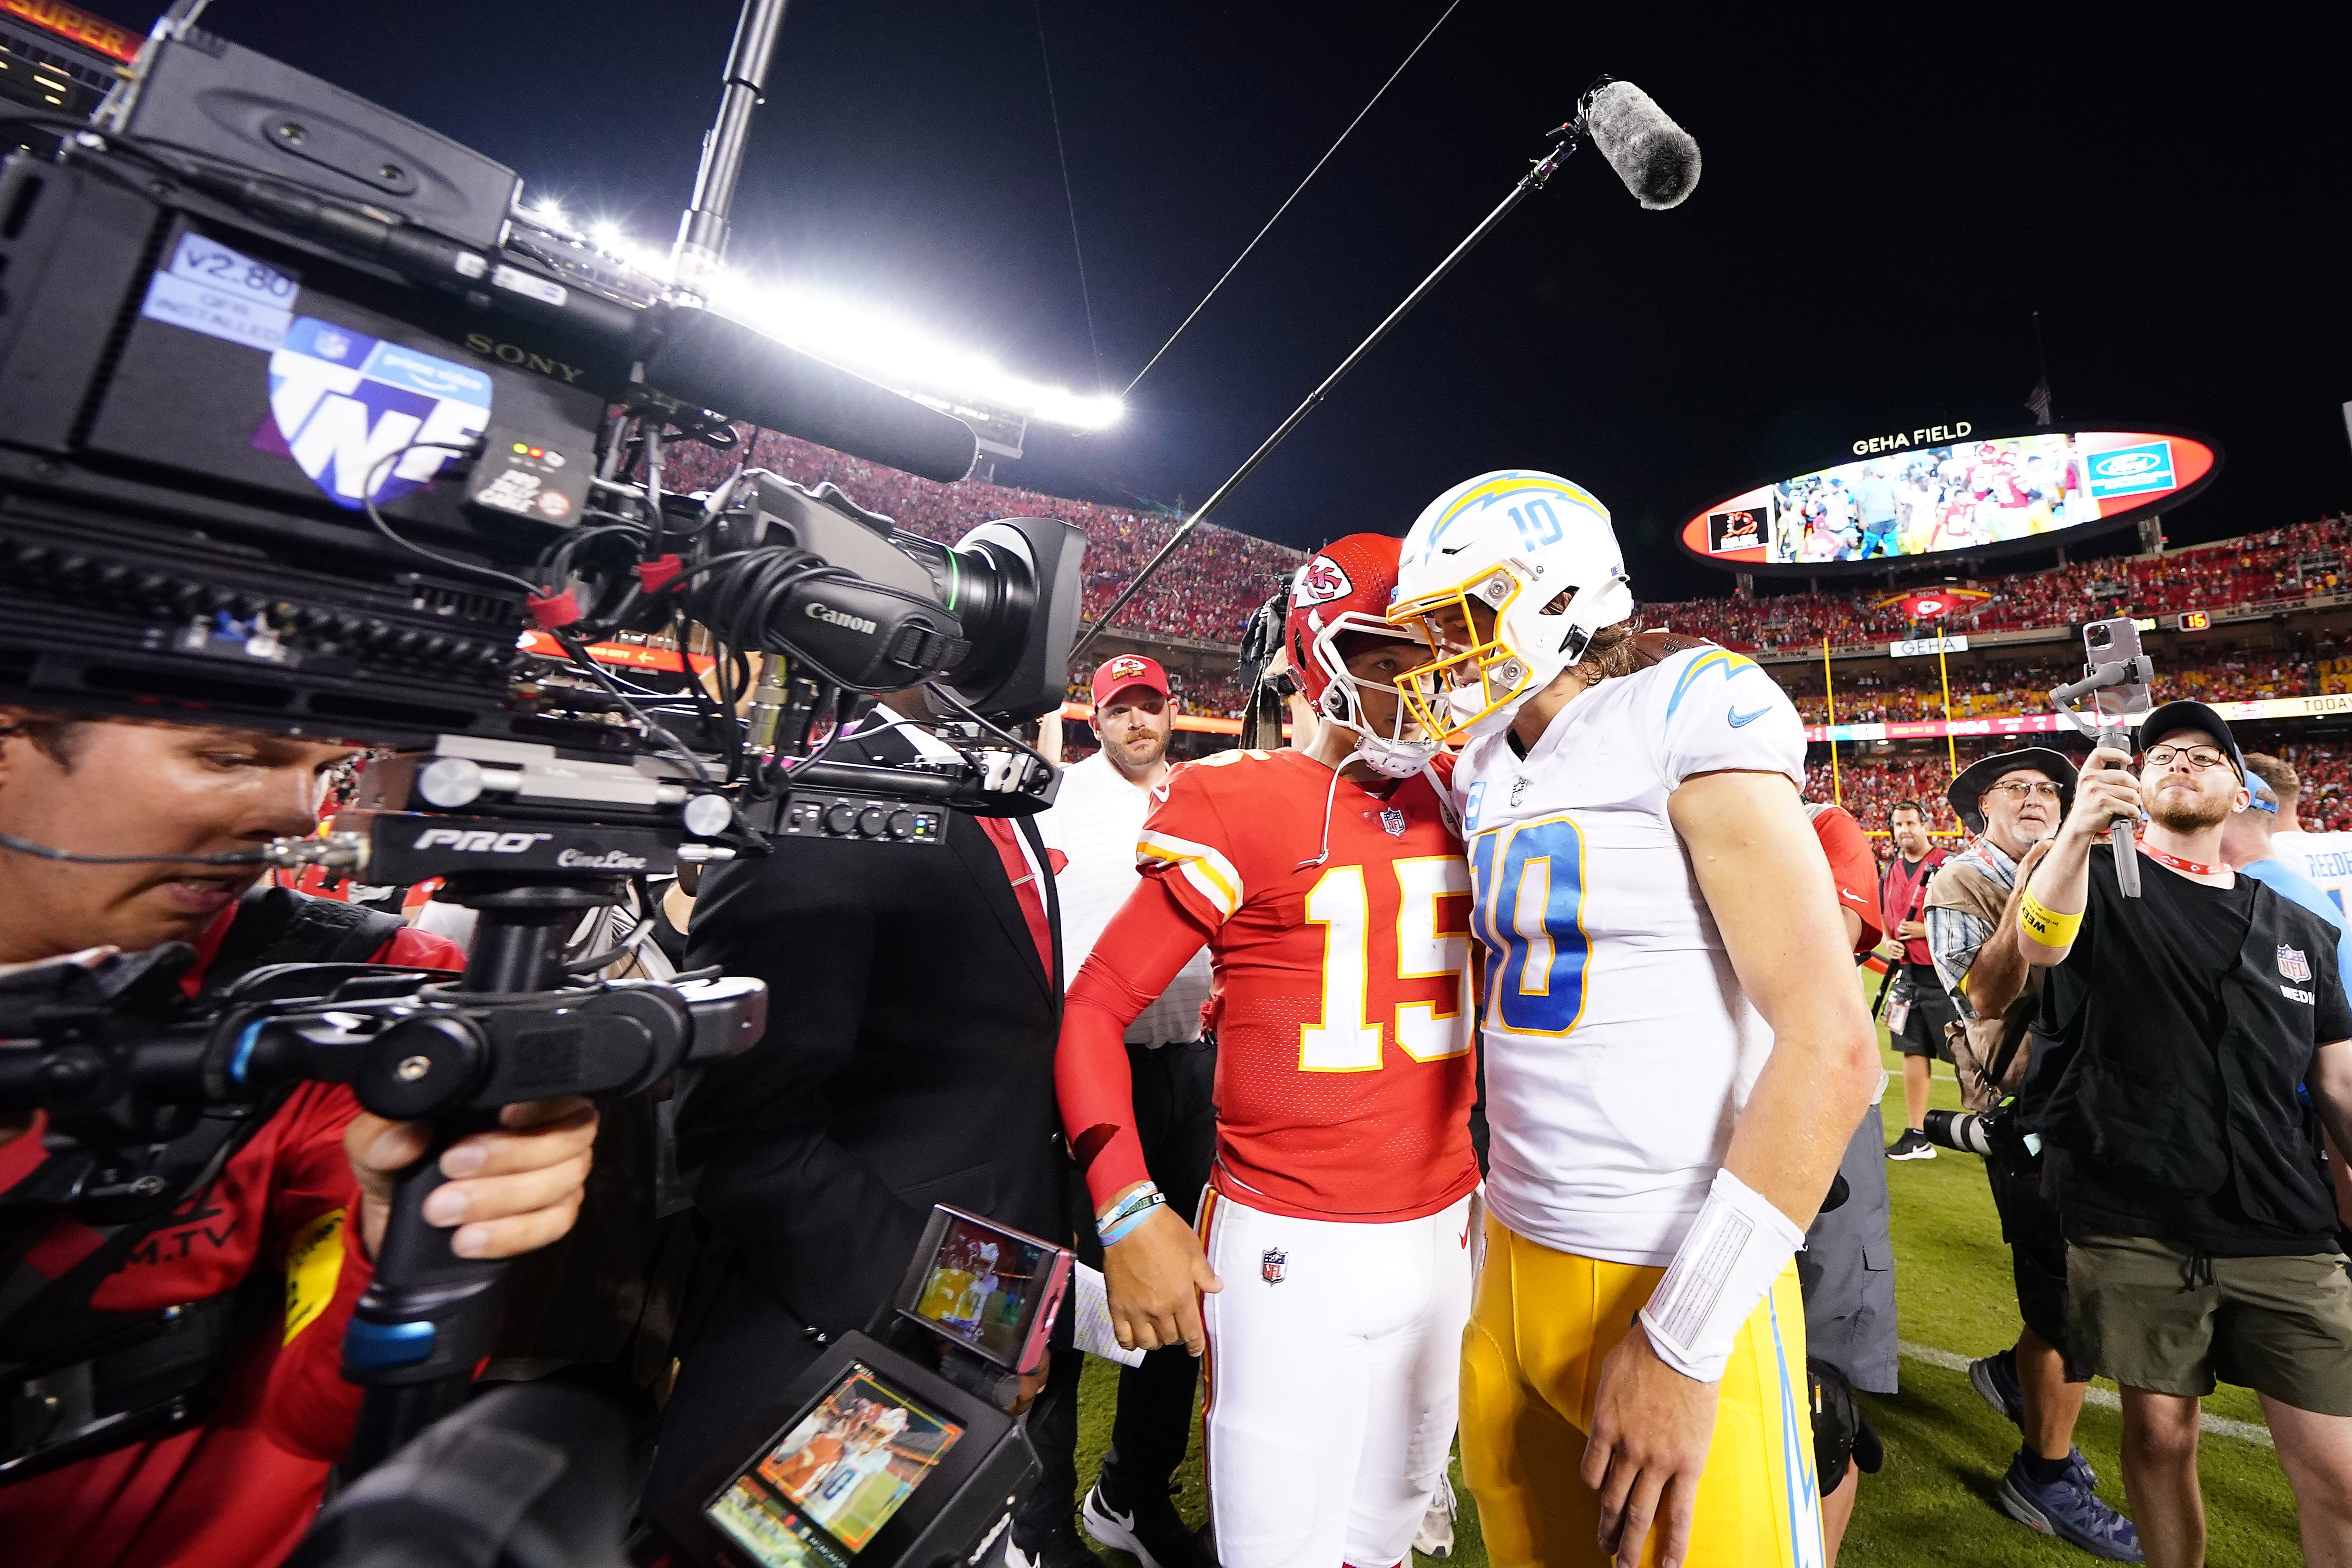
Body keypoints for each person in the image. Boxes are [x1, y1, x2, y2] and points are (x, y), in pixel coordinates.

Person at [1386, 471, 1883, 1568]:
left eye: (1457, 620)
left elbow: (1837, 1045)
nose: (1437, 654)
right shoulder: (1480, 765)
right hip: (1508, 1254)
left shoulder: (1684, 704)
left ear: (1552, 598)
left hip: (1660, 1269)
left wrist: (1684, 1335)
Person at [0, 712, 600, 1568]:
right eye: (232, 757)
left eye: (330, 769)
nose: (297, 814)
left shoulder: (366, 999)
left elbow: (327, 1414)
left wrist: (408, 1237)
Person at [1059, 534, 1479, 1568]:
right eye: (1383, 652)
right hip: (1293, 1245)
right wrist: (1126, 1200)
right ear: (1315, 654)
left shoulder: (1472, 796)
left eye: (1426, 654)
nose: (1410, 681)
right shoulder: (1236, 799)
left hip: (1448, 1233)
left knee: (1381, 1544)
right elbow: (1094, 1007)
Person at [651, 685, 1067, 1509]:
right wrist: (968, 1314)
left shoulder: (985, 781)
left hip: (987, 1269)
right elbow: (745, 1137)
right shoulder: (818, 800)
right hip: (862, 1312)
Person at [2018, 701, 2352, 1568]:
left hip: (2281, 1218)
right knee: (2160, 1440)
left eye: (2203, 756)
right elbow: (2038, 944)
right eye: (2161, 753)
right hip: (2133, 1211)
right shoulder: (2096, 882)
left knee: (2339, 1471)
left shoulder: (2303, 933)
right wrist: (2077, 832)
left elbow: (2339, 1085)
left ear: (2237, 789)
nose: (2178, 763)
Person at [1921, 746, 2139, 1561]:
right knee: (2065, 1300)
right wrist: (2036, 877)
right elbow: (1984, 992)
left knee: (2089, 1281)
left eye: (2050, 787)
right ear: (1977, 807)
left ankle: (2015, 1380)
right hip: (2023, 1105)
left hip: (2094, 1095)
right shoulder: (1957, 882)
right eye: (2015, 787)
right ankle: (2040, 1477)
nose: (2038, 797)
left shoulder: (2080, 857)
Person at [1027, 654, 1214, 1568]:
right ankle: (1040, 1516)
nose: (1137, 721)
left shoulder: (1207, 794)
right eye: (1119, 709)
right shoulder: (1058, 800)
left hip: (1194, 1072)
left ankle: (1129, 1493)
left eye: (1149, 705)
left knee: (1183, 1295)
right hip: (1092, 1071)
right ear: (1091, 719)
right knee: (1061, 1297)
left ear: (1172, 711)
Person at [1798, 803, 1893, 1566]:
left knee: (1823, 1394)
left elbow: (1824, 945)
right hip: (1695, 1118)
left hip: (1822, 1107)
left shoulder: (1824, 822)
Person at [1882, 801, 1956, 1159]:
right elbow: (1887, 920)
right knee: (1912, 1051)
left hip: (1945, 978)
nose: (1905, 830)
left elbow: (1969, 917)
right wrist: (1891, 943)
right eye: (1898, 824)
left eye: (1911, 822)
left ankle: (1994, 1124)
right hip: (1908, 978)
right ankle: (1917, 1134)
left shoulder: (1948, 864)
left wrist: (1925, 930)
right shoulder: (1891, 870)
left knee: (1966, 1056)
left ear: (1925, 825)